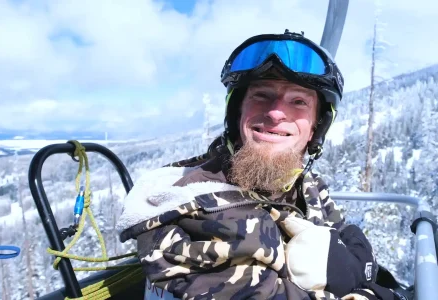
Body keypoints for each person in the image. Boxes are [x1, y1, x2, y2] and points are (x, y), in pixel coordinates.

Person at [116, 30, 405, 300]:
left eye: (299, 101)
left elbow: (346, 237)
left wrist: (358, 270)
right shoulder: (195, 212)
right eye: (262, 95)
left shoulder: (305, 184)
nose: (277, 112)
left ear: (316, 126)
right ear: (237, 111)